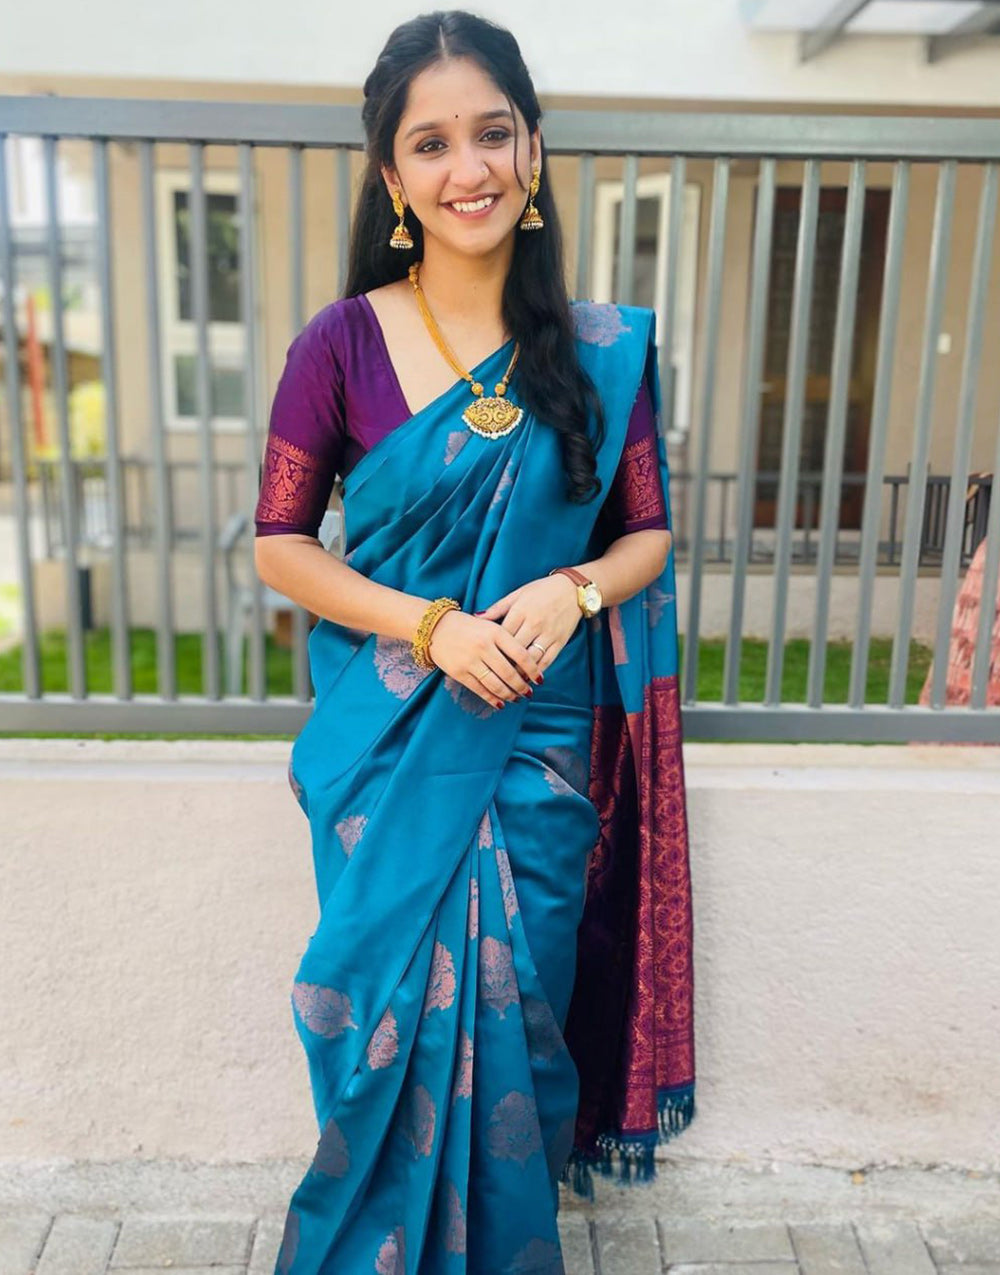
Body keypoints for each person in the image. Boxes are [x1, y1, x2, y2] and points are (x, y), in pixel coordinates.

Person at [254, 11, 696, 1272]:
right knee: (377, 1016)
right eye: (432, 143)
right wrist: (431, 627)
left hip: (537, 748)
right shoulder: (336, 347)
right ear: (393, 179)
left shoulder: (601, 353)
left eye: (492, 133)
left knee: (515, 1020)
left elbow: (645, 537)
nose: (470, 169)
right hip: (387, 746)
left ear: (535, 149)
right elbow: (282, 546)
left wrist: (576, 592)